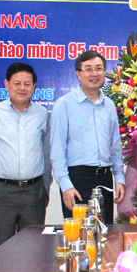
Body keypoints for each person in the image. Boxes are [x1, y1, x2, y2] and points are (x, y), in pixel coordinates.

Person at [0, 63, 52, 251]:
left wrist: (45, 187)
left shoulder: (42, 114)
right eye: (17, 83)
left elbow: (46, 154)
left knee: (33, 252)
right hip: (1, 192)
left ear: (34, 86)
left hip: (34, 193)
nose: (22, 88)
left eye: (27, 84)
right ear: (6, 84)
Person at [51, 50, 125, 222]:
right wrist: (66, 186)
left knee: (104, 234)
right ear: (78, 74)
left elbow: (115, 145)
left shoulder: (109, 105)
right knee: (79, 237)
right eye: (88, 69)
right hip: (78, 180)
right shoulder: (64, 105)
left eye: (99, 68)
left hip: (105, 178)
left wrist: (119, 178)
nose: (94, 73)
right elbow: (57, 150)